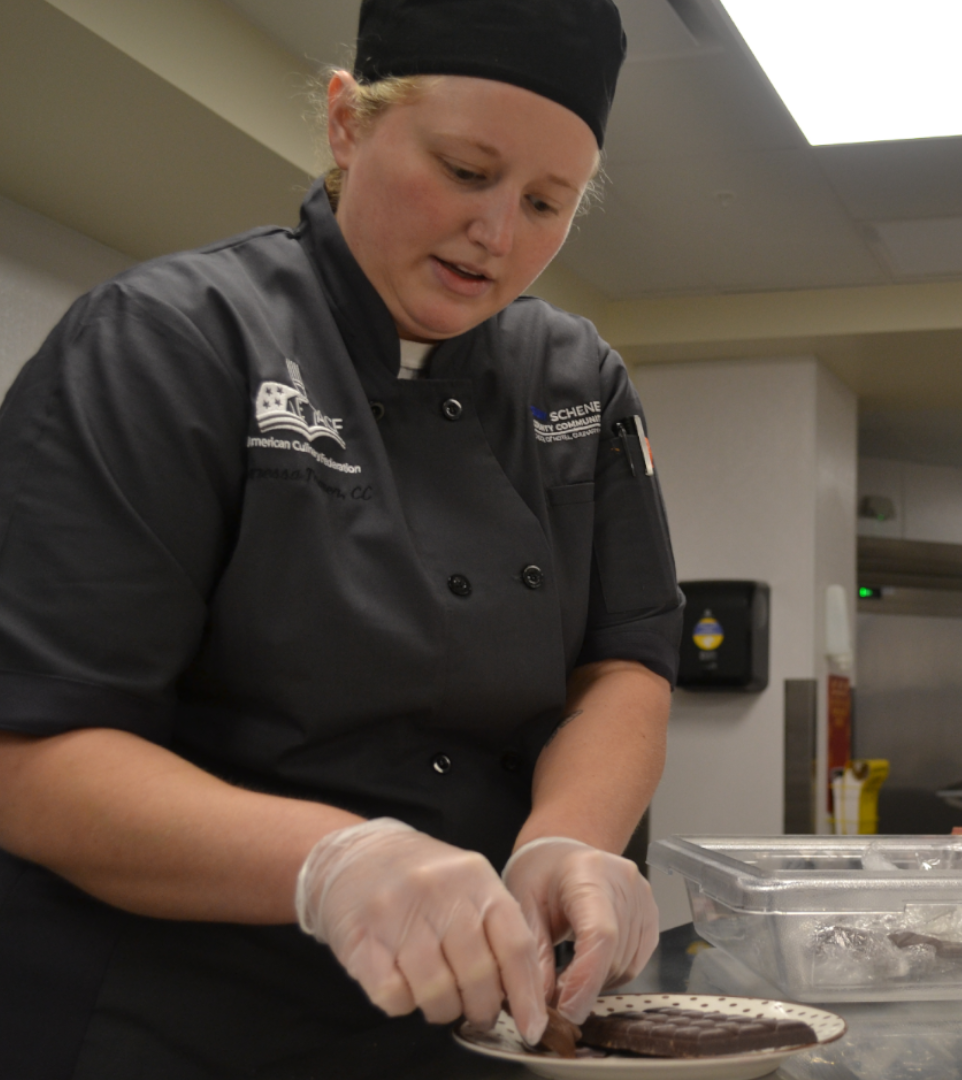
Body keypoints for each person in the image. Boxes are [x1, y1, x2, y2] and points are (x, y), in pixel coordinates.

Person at [0, 0, 684, 1076]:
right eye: (466, 171)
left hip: (479, 1023)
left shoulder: (576, 380)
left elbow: (626, 662)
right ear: (347, 125)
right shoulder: (172, 340)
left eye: (547, 202)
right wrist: (333, 863)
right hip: (180, 1016)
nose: (498, 234)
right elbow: (33, 757)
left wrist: (568, 838)